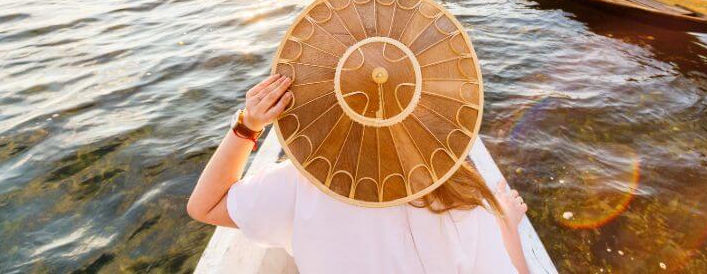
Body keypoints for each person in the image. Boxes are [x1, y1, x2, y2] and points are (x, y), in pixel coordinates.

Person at [187, 71, 532, 274]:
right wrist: (506, 223)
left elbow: (204, 206)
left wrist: (247, 126)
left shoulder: (300, 184)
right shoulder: (462, 197)